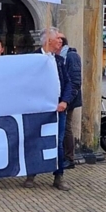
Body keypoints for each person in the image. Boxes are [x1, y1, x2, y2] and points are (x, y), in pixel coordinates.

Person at [24, 27, 73, 191]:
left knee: (57, 142)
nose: (60, 41)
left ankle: (59, 176)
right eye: (57, 38)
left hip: (58, 109)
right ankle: (31, 174)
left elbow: (69, 84)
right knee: (34, 139)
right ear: (48, 40)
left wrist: (65, 101)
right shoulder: (32, 59)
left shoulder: (60, 61)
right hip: (37, 109)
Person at [59, 36, 82, 167]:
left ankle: (69, 158)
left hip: (68, 99)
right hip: (62, 98)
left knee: (67, 127)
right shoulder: (58, 56)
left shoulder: (71, 56)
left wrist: (67, 100)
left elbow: (75, 81)